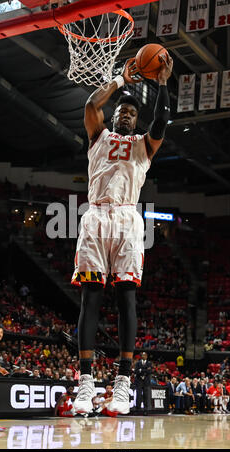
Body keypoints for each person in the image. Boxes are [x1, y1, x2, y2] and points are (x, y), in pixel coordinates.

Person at [71, 53, 173, 416]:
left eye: (132, 111)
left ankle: (122, 383)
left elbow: (161, 120)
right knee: (90, 298)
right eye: (122, 110)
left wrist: (161, 82)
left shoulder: (144, 146)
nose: (127, 114)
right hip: (95, 216)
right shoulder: (98, 135)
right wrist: (119, 81)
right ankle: (85, 385)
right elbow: (89, 104)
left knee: (126, 300)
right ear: (113, 117)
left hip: (128, 218)